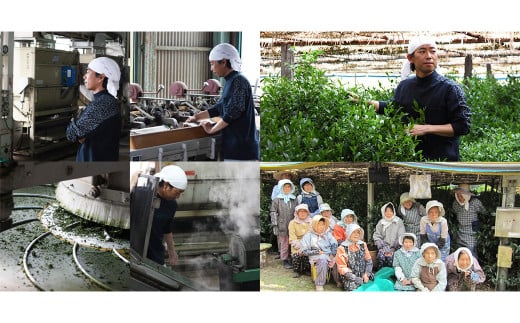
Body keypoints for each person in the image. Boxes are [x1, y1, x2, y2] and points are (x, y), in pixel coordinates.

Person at [362, 36, 471, 161]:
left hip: (443, 164)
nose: (429, 56)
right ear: (410, 58)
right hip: (411, 162)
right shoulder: (405, 86)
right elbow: (395, 108)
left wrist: (426, 129)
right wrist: (363, 102)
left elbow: (463, 126)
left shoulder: (450, 89)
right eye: (422, 51)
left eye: (433, 51)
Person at [185, 43, 259, 160]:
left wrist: (211, 129)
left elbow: (234, 111)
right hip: (234, 150)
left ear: (224, 62)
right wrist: (197, 117)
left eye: (212, 64)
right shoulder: (231, 81)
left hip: (242, 152)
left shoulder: (239, 81)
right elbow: (220, 108)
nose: (211, 68)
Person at [66, 56, 122, 161]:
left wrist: (75, 124)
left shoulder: (103, 104)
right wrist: (80, 131)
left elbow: (71, 134)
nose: (84, 76)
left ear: (100, 77)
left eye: (88, 72)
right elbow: (80, 132)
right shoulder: (104, 101)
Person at [147, 165, 187, 266]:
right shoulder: (145, 194)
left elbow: (167, 229)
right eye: (177, 192)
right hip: (137, 253)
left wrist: (172, 252)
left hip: (156, 255)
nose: (178, 197)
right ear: (166, 185)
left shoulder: (172, 205)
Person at [301, 215, 338, 291]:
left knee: (339, 258)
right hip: (316, 256)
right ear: (314, 225)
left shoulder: (327, 234)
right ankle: (319, 284)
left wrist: (333, 254)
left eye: (323, 224)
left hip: (329, 255)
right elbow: (304, 251)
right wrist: (317, 252)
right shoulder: (308, 236)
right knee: (323, 259)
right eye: (319, 224)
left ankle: (338, 280)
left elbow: (334, 244)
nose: (321, 227)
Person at [452, 184, 489, 257]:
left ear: (466, 195)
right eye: (458, 196)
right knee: (460, 253)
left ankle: (474, 268)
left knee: (471, 253)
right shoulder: (455, 204)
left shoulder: (475, 202)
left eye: (461, 195)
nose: (459, 198)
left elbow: (484, 212)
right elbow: (455, 213)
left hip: (472, 232)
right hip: (460, 231)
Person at [336, 223, 374, 291]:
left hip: (363, 274)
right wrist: (355, 278)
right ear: (348, 233)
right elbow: (342, 268)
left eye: (358, 232)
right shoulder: (342, 248)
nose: (356, 234)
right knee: (353, 288)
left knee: (373, 285)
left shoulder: (363, 244)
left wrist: (366, 274)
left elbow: (369, 261)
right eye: (354, 232)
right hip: (350, 277)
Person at [270, 179, 297, 269]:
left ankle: (293, 258)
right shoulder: (277, 200)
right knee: (284, 243)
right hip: (282, 225)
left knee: (293, 242)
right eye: (285, 187)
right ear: (281, 188)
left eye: (289, 187)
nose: (287, 188)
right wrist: (275, 225)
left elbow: (297, 211)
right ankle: (285, 260)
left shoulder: (294, 199)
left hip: (293, 224)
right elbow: (273, 212)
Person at [373, 202, 405, 269]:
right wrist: (383, 247)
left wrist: (393, 248)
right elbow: (377, 235)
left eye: (390, 211)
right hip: (384, 247)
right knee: (381, 256)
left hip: (396, 248)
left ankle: (394, 275)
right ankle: (381, 274)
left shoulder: (398, 221)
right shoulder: (381, 222)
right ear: (383, 212)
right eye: (386, 211)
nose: (388, 213)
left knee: (394, 257)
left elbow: (401, 236)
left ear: (393, 211)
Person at [288, 203, 313, 277]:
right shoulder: (292, 223)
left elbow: (311, 235)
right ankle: (297, 271)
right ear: (297, 213)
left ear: (307, 213)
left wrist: (304, 247)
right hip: (296, 244)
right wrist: (300, 247)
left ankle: (307, 270)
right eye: (300, 211)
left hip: (308, 243)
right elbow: (292, 237)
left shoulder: (311, 221)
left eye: (304, 211)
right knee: (297, 254)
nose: (302, 213)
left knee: (308, 253)